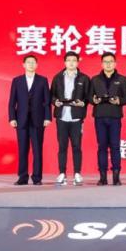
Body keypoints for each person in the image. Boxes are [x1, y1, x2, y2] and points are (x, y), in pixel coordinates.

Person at [8, 55, 51, 185]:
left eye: (33, 62)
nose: (31, 64)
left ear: (37, 65)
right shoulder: (17, 81)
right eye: (28, 62)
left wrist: (47, 117)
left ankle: (37, 178)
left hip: (38, 120)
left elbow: (47, 101)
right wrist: (12, 118)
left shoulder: (43, 80)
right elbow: (12, 101)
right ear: (24, 65)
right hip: (21, 119)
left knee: (37, 150)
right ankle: (23, 177)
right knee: (22, 149)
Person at [50, 51, 91, 186]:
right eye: (69, 60)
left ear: (78, 62)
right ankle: (62, 173)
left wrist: (83, 103)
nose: (71, 63)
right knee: (62, 146)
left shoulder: (84, 78)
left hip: (76, 117)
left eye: (74, 60)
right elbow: (52, 95)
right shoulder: (57, 77)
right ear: (65, 62)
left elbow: (88, 96)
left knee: (76, 146)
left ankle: (77, 173)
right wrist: (55, 102)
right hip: (61, 116)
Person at [89, 52, 126, 186]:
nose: (108, 64)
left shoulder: (122, 79)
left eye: (111, 61)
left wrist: (119, 100)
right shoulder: (95, 79)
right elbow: (89, 97)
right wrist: (94, 100)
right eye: (105, 62)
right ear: (102, 64)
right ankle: (103, 177)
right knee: (102, 147)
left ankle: (116, 177)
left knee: (115, 146)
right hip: (100, 116)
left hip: (114, 116)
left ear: (115, 63)